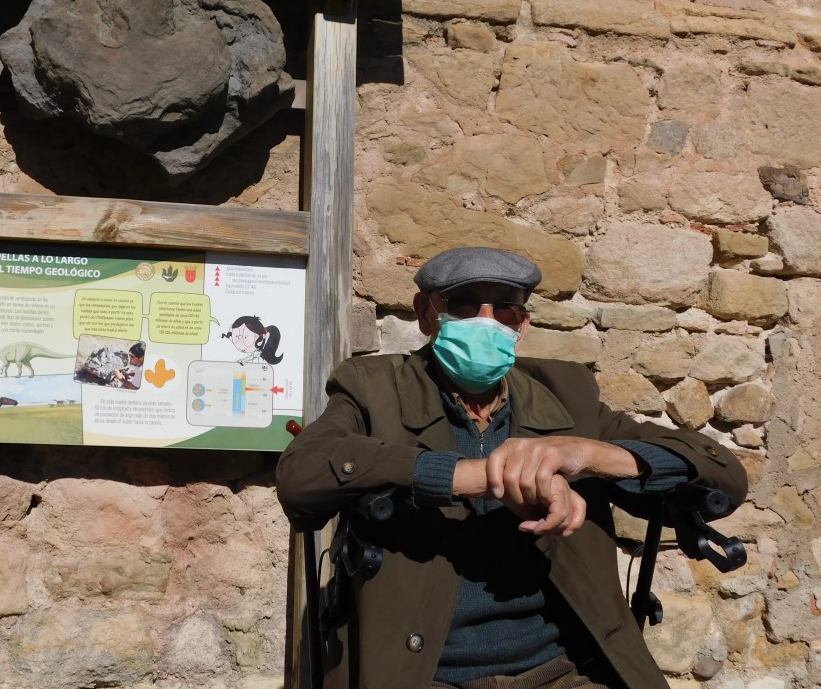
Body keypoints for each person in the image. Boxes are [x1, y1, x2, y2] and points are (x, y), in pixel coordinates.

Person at [275, 247, 747, 689]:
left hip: (563, 670)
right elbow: (301, 474)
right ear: (425, 314)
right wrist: (473, 476)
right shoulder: (372, 387)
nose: (486, 321)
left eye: (504, 308)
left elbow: (721, 470)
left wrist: (587, 455)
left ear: (522, 324)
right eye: (463, 304)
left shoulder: (566, 392)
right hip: (426, 673)